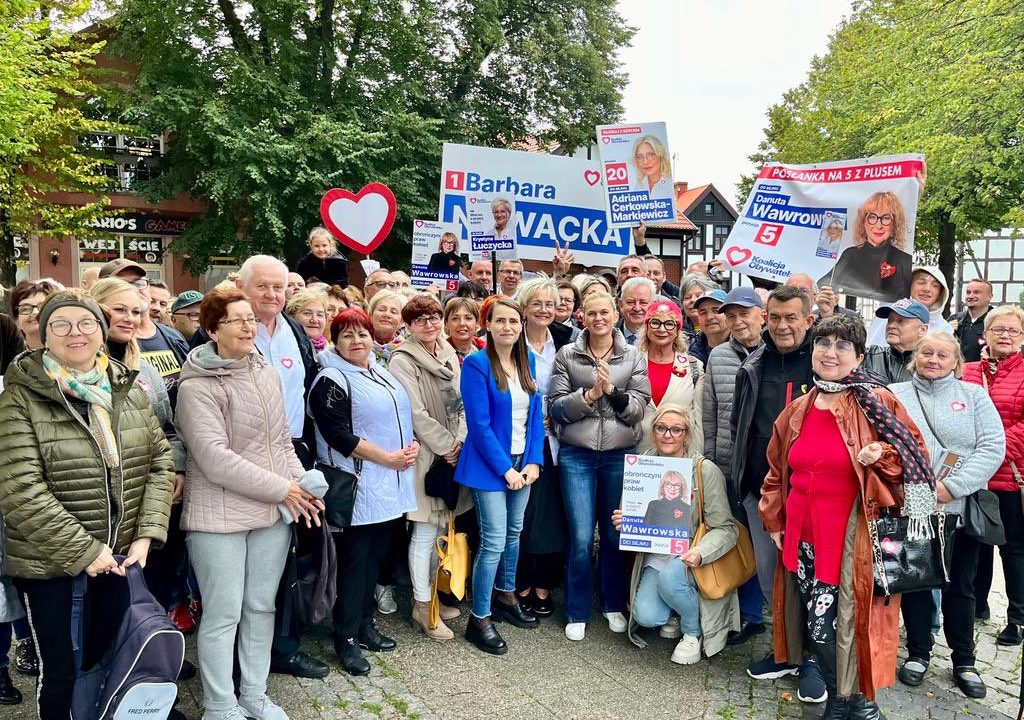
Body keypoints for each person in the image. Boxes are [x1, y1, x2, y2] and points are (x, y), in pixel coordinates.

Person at [0, 290, 173, 720]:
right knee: (62, 672)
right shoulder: (20, 397)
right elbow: (19, 488)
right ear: (43, 336)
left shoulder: (125, 388)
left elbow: (159, 462)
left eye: (86, 323)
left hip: (120, 558)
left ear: (101, 330)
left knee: (108, 660)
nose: (75, 332)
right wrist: (85, 551)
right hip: (51, 565)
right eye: (61, 324)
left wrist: (148, 534)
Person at [760, 313, 931, 719]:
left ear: (858, 356)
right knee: (818, 626)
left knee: (850, 625)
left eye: (841, 346)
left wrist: (882, 455)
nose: (830, 353)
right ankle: (842, 698)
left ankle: (862, 704)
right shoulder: (799, 408)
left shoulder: (878, 402)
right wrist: (774, 520)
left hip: (855, 538)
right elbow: (776, 472)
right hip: (804, 535)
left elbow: (915, 462)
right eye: (823, 344)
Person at [177, 287, 321, 720]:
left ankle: (254, 694)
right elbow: (215, 459)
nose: (246, 326)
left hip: (270, 513)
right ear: (211, 330)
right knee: (222, 614)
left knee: (261, 607)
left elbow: (281, 442)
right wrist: (284, 489)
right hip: (217, 516)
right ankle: (220, 704)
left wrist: (301, 481)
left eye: (250, 319)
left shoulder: (265, 373)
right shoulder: (195, 385)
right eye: (234, 320)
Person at [891, 332, 1005, 698]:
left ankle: (964, 660)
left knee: (961, 585)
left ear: (956, 361)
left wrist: (952, 487)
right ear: (915, 357)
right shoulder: (896, 394)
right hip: (913, 506)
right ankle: (918, 653)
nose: (933, 360)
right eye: (926, 352)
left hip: (960, 505)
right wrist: (912, 488)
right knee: (918, 582)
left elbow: (992, 447)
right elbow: (882, 444)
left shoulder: (974, 396)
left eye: (943, 354)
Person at [308, 308, 419, 674]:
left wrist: (411, 445)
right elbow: (338, 436)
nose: (357, 342)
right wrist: (387, 457)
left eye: (362, 334)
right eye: (347, 336)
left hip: (390, 484)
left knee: (375, 562)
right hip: (359, 485)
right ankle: (346, 637)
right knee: (355, 566)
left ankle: (365, 624)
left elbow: (399, 416)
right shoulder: (332, 378)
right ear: (336, 342)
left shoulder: (379, 371)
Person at [732, 285, 820, 700]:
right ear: (765, 318)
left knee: (813, 579)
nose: (783, 326)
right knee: (771, 579)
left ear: (808, 320)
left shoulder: (825, 366)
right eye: (776, 317)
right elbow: (740, 428)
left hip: (811, 495)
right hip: (759, 491)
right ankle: (786, 652)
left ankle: (815, 660)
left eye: (792, 318)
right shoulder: (752, 365)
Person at [89, 278, 191, 629]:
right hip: (101, 501)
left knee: (156, 581)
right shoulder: (77, 370)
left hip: (151, 496)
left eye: (136, 311)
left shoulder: (146, 370)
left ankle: (153, 653)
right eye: (119, 309)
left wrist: (177, 468)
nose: (129, 318)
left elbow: (168, 428)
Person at [549, 291, 650, 642]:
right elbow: (556, 409)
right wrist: (590, 395)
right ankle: (576, 609)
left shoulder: (634, 356)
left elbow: (639, 409)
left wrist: (613, 393)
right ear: (582, 317)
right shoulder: (568, 354)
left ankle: (611, 604)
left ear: (615, 313)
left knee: (613, 533)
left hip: (619, 455)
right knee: (579, 536)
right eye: (591, 313)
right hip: (577, 455)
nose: (598, 319)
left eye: (604, 312)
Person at [617, 405, 740, 664]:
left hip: (691, 555)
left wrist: (700, 552)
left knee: (672, 578)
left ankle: (693, 632)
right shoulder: (645, 464)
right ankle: (677, 609)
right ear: (654, 432)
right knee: (646, 616)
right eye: (661, 428)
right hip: (657, 554)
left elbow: (726, 529)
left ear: (686, 434)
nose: (668, 435)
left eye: (676, 429)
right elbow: (641, 517)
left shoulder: (703, 470)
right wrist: (625, 521)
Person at [454, 298, 545, 654]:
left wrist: (533, 461)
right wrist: (505, 469)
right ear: (487, 325)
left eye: (513, 321)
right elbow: (478, 425)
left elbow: (536, 416)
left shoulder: (529, 362)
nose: (508, 327)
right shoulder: (476, 365)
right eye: (500, 321)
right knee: (492, 541)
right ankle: (479, 619)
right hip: (490, 466)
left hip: (524, 462)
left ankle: (506, 597)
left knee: (514, 533)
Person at [388, 296, 472, 642]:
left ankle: (434, 594)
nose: (429, 325)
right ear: (408, 325)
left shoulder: (448, 351)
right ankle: (422, 607)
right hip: (427, 453)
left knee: (443, 527)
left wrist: (461, 442)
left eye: (434, 317)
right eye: (420, 320)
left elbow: (464, 401)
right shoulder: (402, 360)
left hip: (453, 450)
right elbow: (415, 413)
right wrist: (447, 446)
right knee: (424, 532)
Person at [963, 305, 1024, 647]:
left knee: (1014, 549)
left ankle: (1018, 617)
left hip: (1010, 475)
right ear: (985, 333)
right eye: (998, 329)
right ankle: (977, 604)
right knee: (977, 543)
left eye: (1012, 330)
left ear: (1021, 337)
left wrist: (992, 448)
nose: (1005, 335)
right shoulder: (968, 371)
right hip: (974, 476)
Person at [513, 279, 574, 618]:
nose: (543, 310)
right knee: (523, 515)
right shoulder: (510, 341)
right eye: (536, 303)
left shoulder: (567, 340)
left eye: (549, 304)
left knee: (552, 517)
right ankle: (520, 583)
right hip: (521, 442)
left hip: (560, 442)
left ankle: (544, 585)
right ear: (524, 308)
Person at [99, 260, 189, 408]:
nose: (134, 290)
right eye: (123, 284)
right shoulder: (99, 348)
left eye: (139, 283)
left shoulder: (174, 337)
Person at [636, 299, 703, 455]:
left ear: (678, 329)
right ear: (646, 327)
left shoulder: (694, 367)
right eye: (655, 323)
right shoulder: (632, 362)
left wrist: (695, 458)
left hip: (678, 455)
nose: (662, 329)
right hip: (637, 453)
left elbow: (698, 420)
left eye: (669, 324)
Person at [828, 192, 914, 300]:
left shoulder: (904, 260)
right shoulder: (850, 255)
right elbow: (824, 284)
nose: (879, 225)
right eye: (872, 217)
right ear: (864, 223)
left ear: (895, 225)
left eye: (886, 218)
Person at [866, 265, 952, 346]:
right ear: (909, 286)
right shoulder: (891, 306)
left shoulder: (944, 329)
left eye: (935, 285)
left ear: (941, 293)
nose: (927, 289)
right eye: (921, 282)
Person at [862, 299, 929, 385]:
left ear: (922, 330)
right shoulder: (869, 356)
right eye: (889, 320)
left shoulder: (930, 364)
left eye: (900, 321)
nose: (891, 326)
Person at [10, 279, 64, 350]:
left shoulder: (70, 353)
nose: (35, 312)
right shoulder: (10, 357)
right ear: (16, 321)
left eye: (42, 307)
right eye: (25, 308)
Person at [955, 278, 994, 363]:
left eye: (976, 292)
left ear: (989, 297)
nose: (971, 296)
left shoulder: (996, 322)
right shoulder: (955, 319)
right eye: (968, 292)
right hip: (956, 373)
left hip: (984, 373)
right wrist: (947, 331)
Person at [689, 289, 729, 365]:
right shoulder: (692, 352)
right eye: (703, 312)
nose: (709, 317)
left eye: (716, 311)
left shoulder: (743, 348)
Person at [629, 135, 673, 200]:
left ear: (660, 156)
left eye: (650, 155)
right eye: (640, 157)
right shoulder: (638, 185)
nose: (645, 161)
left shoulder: (670, 184)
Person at [367, 289, 405, 363]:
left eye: (394, 312)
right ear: (370, 315)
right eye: (381, 310)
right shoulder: (359, 344)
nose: (387, 315)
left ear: (401, 321)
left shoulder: (407, 349)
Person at [443, 297, 484, 363]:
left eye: (468, 318)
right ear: (446, 323)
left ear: (477, 323)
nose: (462, 323)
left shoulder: (488, 353)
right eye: (455, 318)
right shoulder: (438, 354)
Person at [680, 274, 720, 341]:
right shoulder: (676, 331)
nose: (693, 300)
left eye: (699, 296)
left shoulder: (722, 329)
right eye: (687, 297)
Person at [617, 276, 656, 345]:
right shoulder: (609, 335)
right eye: (630, 302)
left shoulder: (662, 338)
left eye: (643, 303)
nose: (637, 308)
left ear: (653, 305)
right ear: (621, 305)